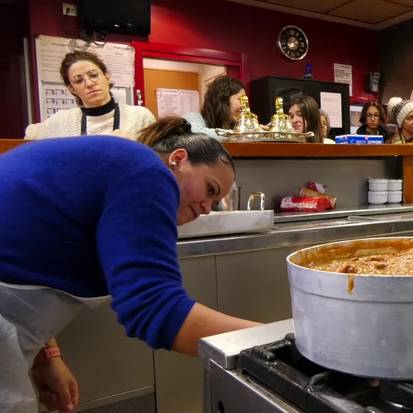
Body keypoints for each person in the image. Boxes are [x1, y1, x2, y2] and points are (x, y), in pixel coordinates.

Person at [0, 117, 260, 413]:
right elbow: (153, 307)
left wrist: (48, 357)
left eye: (215, 204)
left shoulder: (123, 170)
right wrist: (273, 340)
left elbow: (34, 252)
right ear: (178, 159)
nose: (206, 208)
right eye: (210, 190)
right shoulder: (147, 171)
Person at [25, 51, 155, 140]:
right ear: (72, 89)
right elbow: (29, 137)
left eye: (93, 75)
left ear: (107, 77)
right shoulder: (62, 120)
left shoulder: (140, 116)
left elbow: (162, 158)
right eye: (78, 80)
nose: (89, 83)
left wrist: (138, 147)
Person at [183, 75, 247, 140]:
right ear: (222, 100)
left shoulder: (236, 125)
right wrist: (238, 135)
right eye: (240, 99)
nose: (244, 105)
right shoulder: (192, 118)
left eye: (245, 100)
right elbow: (195, 133)